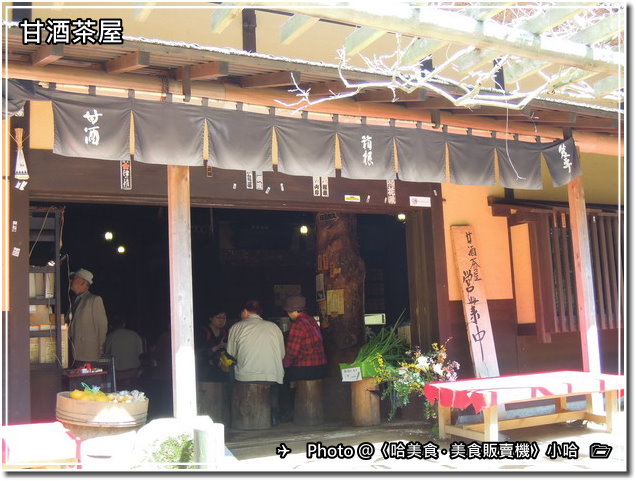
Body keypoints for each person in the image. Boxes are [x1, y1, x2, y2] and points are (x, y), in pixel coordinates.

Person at [279, 295, 327, 421]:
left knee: (281, 379)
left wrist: (283, 365)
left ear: (293, 311)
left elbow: (292, 352)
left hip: (306, 368)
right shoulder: (311, 321)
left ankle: (287, 414)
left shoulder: (298, 324)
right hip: (320, 367)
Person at [226, 300, 285, 384]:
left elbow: (231, 353)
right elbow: (282, 354)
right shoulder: (274, 327)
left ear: (245, 311)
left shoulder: (236, 327)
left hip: (246, 376)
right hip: (272, 376)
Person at [68, 268, 108, 364]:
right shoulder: (74, 300)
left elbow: (102, 326)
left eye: (73, 278)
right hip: (73, 354)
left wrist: (100, 349)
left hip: (88, 355)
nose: (71, 281)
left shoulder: (94, 300)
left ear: (82, 282)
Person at [103, 315, 144, 391]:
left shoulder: (110, 337)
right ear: (124, 324)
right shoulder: (134, 335)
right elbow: (140, 353)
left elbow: (106, 355)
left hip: (117, 375)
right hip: (133, 373)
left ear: (111, 326)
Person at [196, 311, 229, 382]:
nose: (221, 320)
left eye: (224, 318)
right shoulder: (203, 331)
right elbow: (199, 354)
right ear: (211, 318)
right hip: (204, 371)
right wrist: (216, 347)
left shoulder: (225, 332)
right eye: (218, 317)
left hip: (220, 370)